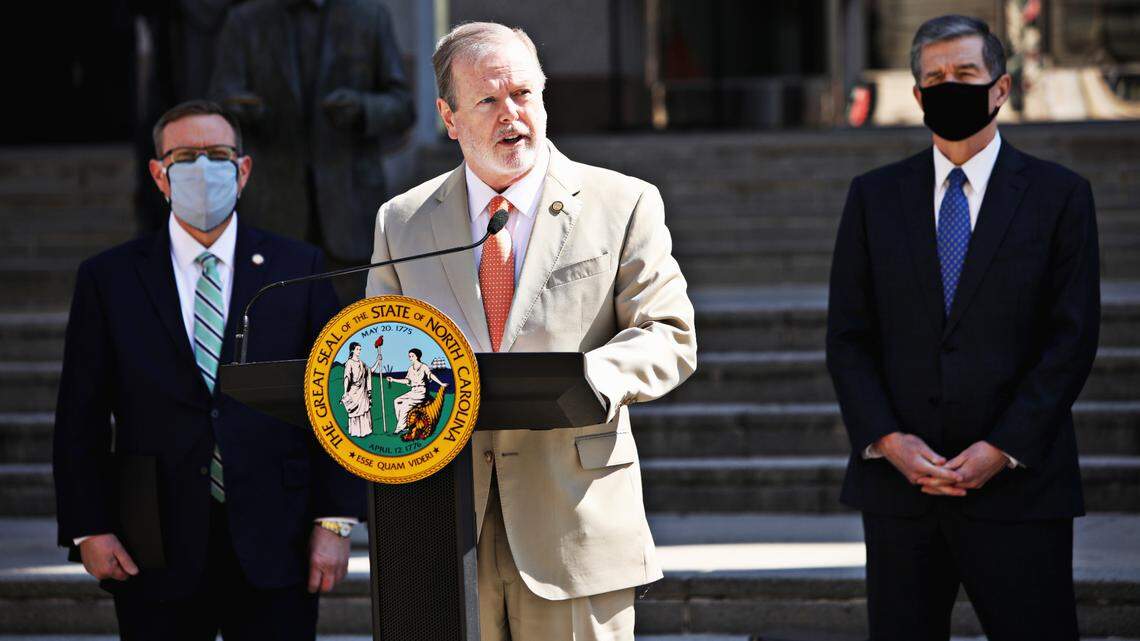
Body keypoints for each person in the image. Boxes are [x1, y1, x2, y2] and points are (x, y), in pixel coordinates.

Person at [365, 22, 697, 640]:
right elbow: (376, 352)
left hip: (573, 524)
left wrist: (584, 378)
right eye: (488, 101)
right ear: (450, 116)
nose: (511, 114)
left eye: (524, 94)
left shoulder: (622, 202)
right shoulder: (403, 221)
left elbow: (670, 334)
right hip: (444, 527)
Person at [826, 15, 1100, 641]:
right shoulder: (874, 197)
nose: (950, 86)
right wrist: (890, 442)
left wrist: (1001, 449)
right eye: (936, 78)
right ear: (918, 96)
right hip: (901, 493)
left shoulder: (1060, 196)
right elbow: (848, 336)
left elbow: (1072, 337)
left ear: (1000, 88)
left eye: (966, 74)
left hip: (1022, 490)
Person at [52, 100, 366, 640]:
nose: (203, 168)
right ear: (159, 174)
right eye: (185, 155)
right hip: (152, 542)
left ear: (242, 170)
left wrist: (336, 522)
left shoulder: (298, 269)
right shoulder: (109, 279)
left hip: (277, 539)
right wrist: (89, 527)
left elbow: (338, 399)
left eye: (218, 154)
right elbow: (79, 414)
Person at [209, 0, 415, 303]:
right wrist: (241, 109)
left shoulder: (369, 17)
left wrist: (362, 108)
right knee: (276, 326)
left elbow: (403, 106)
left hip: (349, 205)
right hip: (273, 204)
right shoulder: (245, 21)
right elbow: (218, 102)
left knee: (351, 330)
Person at [385, 348, 445, 434]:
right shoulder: (410, 369)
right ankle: (403, 425)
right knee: (397, 401)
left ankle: (399, 428)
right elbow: (407, 381)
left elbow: (431, 375)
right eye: (409, 356)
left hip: (421, 392)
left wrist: (441, 383)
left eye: (412, 356)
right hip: (413, 391)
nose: (410, 358)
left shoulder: (423, 367)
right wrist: (393, 379)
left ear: (417, 356)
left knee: (405, 404)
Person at [341, 342, 373, 437]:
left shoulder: (362, 363)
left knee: (364, 410)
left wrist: (377, 361)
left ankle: (365, 431)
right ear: (352, 350)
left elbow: (369, 372)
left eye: (360, 349)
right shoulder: (349, 363)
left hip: (362, 391)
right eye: (357, 349)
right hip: (354, 391)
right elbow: (347, 378)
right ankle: (356, 432)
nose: (359, 351)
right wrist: (345, 392)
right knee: (354, 411)